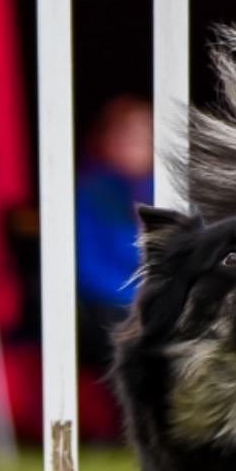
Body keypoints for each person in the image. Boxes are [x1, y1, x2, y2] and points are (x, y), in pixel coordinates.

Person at [75, 96, 153, 370]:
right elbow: (87, 267)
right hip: (110, 307)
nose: (131, 142)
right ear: (103, 139)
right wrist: (139, 296)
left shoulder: (169, 191)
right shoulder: (88, 195)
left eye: (141, 134)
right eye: (122, 133)